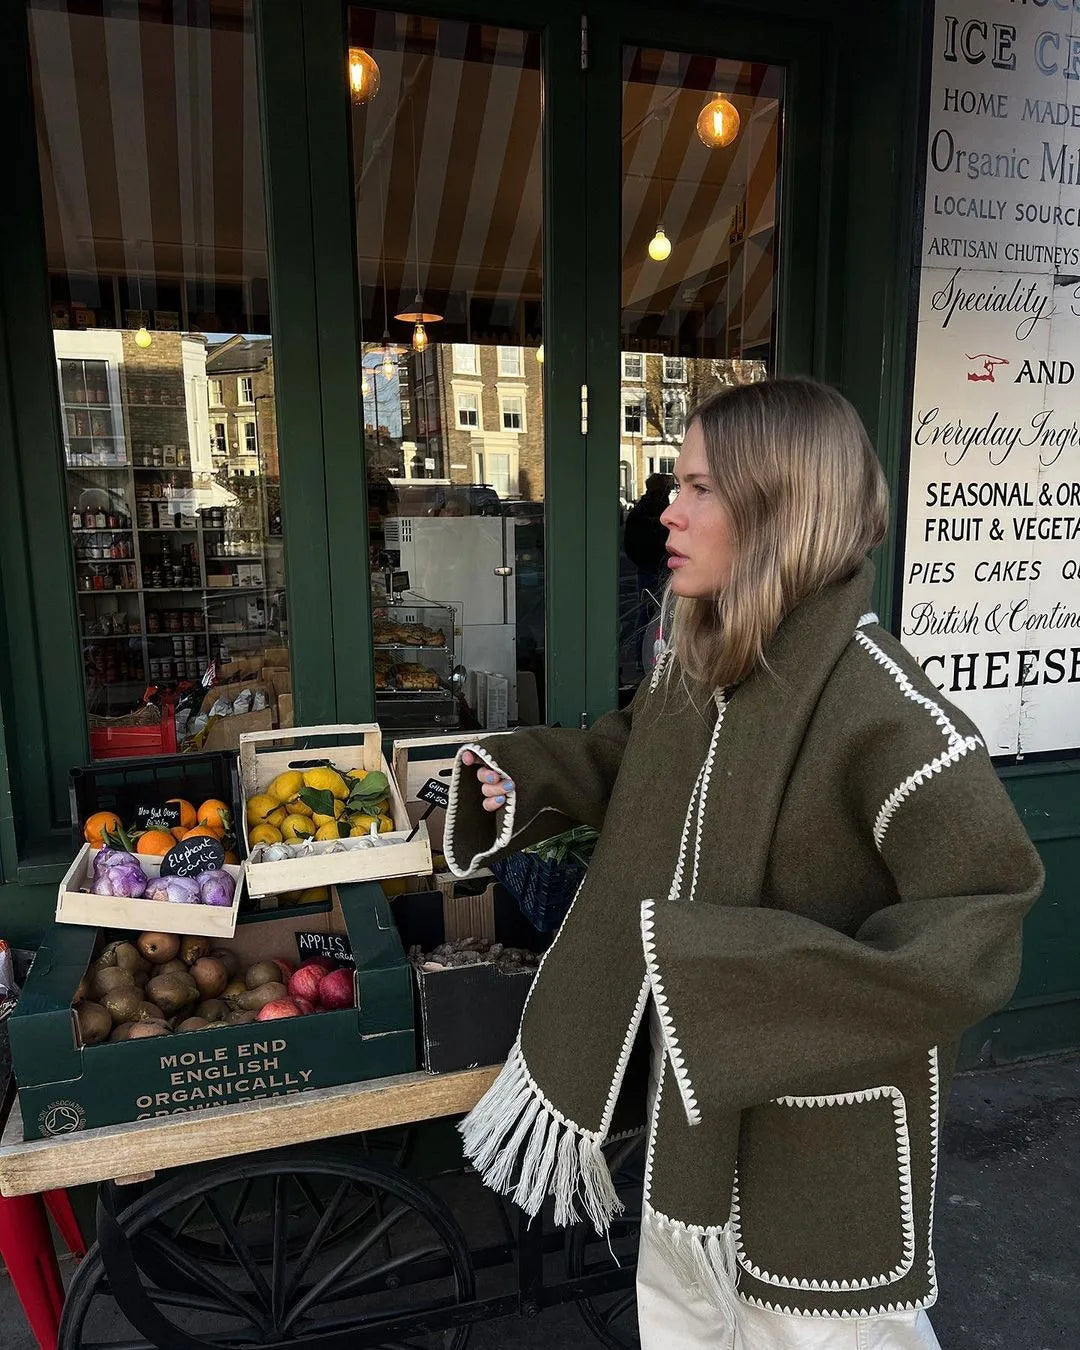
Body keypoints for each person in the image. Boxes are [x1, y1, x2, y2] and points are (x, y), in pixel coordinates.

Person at [444, 378, 1043, 1349]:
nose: (668, 512)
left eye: (700, 488)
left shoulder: (884, 711)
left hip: (818, 1145)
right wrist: (521, 775)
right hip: (692, 1125)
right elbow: (636, 762)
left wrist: (745, 981)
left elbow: (982, 919)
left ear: (780, 508)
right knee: (685, 1320)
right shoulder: (706, 661)